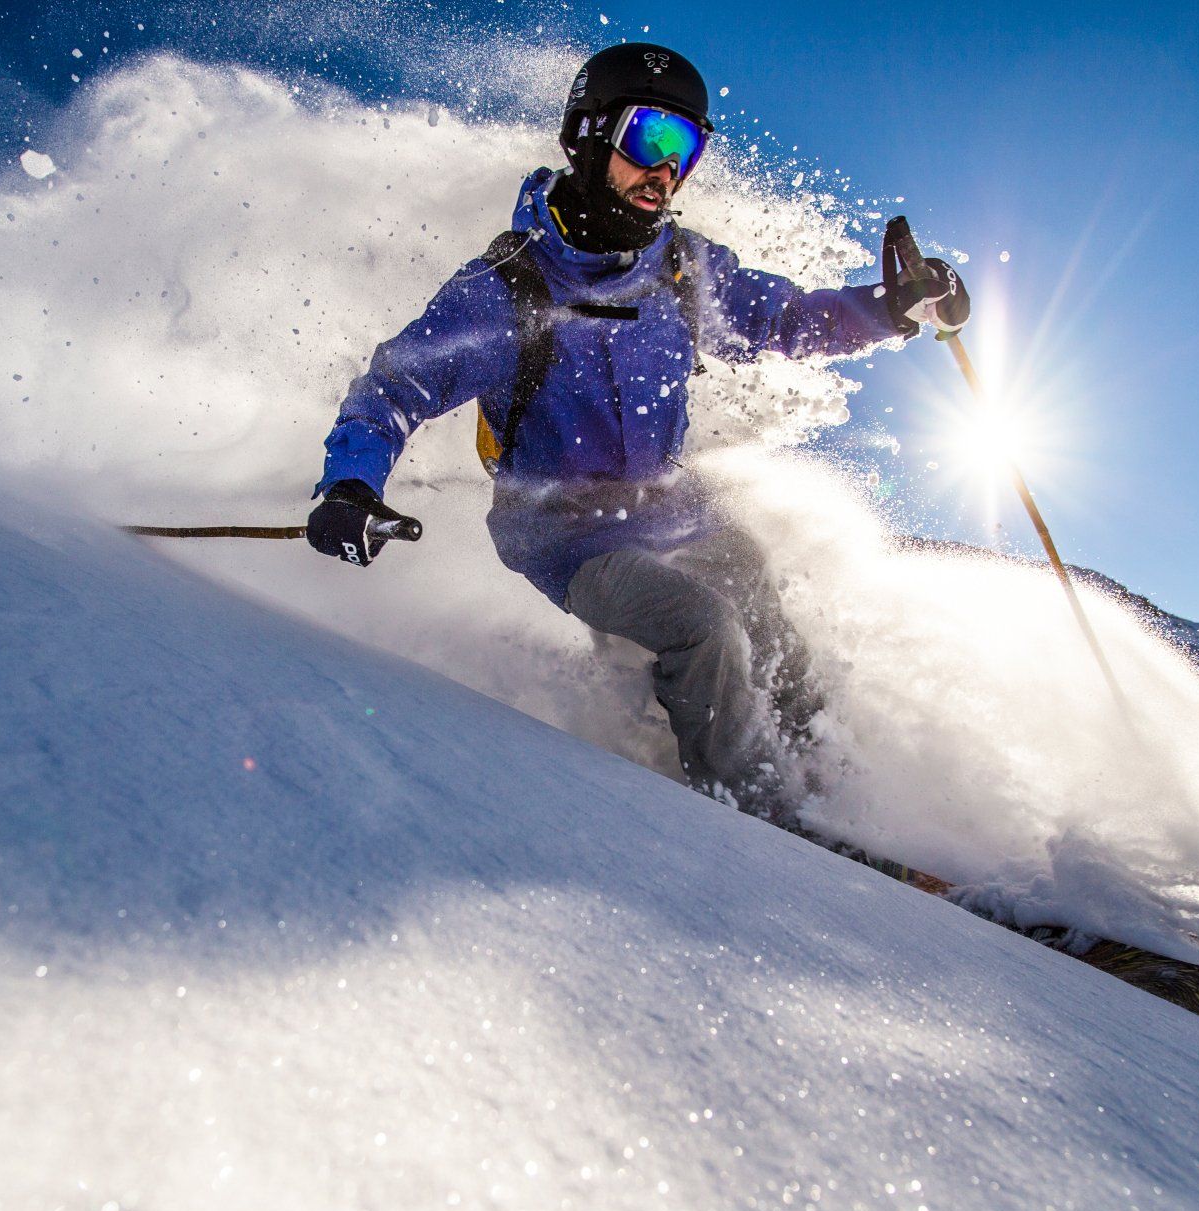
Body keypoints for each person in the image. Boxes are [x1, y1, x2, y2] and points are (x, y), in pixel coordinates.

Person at [307, 43, 969, 817]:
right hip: (566, 536)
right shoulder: (509, 288)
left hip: (663, 504)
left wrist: (894, 308)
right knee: (704, 626)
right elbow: (397, 384)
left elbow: (785, 319)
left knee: (753, 579)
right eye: (651, 139)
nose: (667, 171)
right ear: (589, 135)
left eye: (686, 150)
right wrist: (350, 484)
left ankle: (829, 783)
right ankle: (772, 823)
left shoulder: (680, 268)